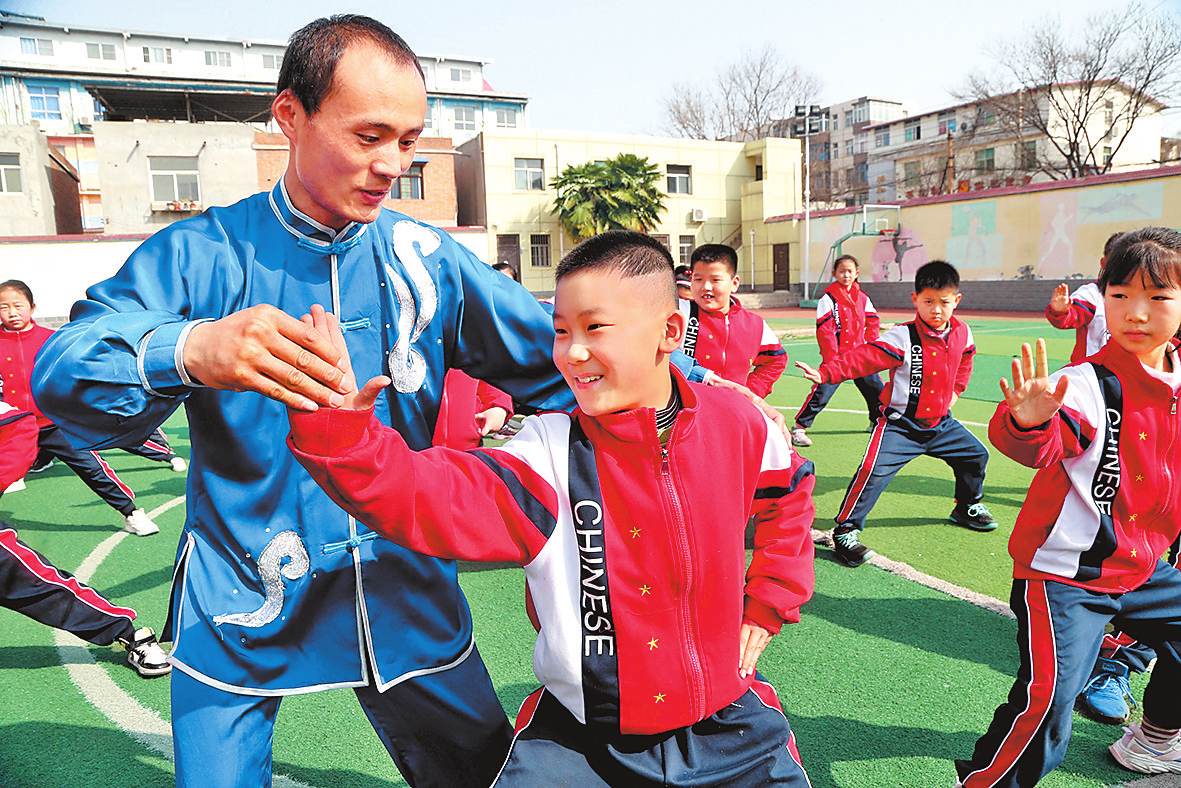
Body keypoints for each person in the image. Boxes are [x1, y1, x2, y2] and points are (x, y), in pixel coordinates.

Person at [28, 15, 584, 788]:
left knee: (487, 778)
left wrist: (694, 400)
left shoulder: (428, 262)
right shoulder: (201, 253)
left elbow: (569, 365)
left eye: (409, 140)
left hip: (405, 587)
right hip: (241, 595)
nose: (394, 164)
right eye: (369, 136)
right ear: (289, 115)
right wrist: (190, 349)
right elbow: (62, 376)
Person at [287, 231, 818, 788]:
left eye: (595, 328)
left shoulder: (739, 421)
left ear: (668, 332)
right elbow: (425, 496)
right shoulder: (547, 452)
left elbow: (791, 493)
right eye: (561, 331)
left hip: (730, 725)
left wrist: (770, 600)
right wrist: (342, 436)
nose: (572, 353)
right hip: (584, 740)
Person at [956, 227, 1181, 787]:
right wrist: (1026, 421)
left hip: (1143, 569)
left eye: (1158, 297)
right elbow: (1042, 443)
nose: (1135, 312)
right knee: (1047, 705)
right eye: (1120, 295)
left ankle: (1154, 740)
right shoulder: (1082, 385)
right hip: (1065, 577)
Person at [796, 260, 997, 568]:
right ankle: (846, 531)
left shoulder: (963, 333)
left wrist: (957, 390)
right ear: (915, 300)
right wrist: (826, 373)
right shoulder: (902, 337)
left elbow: (966, 360)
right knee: (871, 473)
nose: (937, 310)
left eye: (944, 302)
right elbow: (863, 358)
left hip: (941, 425)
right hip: (899, 427)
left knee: (975, 456)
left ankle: (967, 506)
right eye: (929, 302)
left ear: (956, 301)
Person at [0, 280, 184, 537]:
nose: (11, 312)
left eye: (17, 306)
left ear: (32, 307)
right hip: (13, 428)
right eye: (3, 307)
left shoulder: (51, 339)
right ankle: (38, 461)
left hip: (53, 423)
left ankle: (131, 513)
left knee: (93, 467)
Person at [0, 399, 170, 678]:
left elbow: (17, 423)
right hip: (38, 419)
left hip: (49, 417)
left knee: (37, 583)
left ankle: (127, 632)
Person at [790, 254, 884, 448]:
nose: (846, 275)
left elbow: (873, 320)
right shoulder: (828, 299)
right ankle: (799, 428)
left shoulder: (863, 298)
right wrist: (831, 358)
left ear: (857, 273)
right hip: (838, 358)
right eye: (842, 271)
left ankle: (876, 421)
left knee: (876, 390)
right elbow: (825, 330)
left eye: (850, 271)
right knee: (822, 393)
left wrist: (870, 343)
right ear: (834, 274)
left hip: (860, 356)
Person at [678, 244, 787, 398]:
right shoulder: (679, 312)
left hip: (734, 411)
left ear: (734, 283)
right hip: (686, 412)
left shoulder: (755, 324)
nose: (706, 287)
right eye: (699, 279)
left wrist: (749, 393)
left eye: (715, 279)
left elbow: (776, 360)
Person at [1044, 232, 1123, 363]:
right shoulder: (1092, 294)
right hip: (1094, 371)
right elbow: (1070, 316)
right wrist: (1060, 311)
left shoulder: (1141, 297)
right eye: (1117, 262)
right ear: (1104, 263)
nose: (1123, 269)